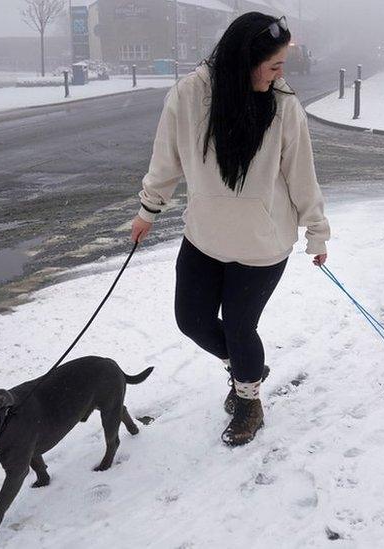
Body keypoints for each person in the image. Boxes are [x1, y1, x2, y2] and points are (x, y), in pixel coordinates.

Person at [130, 13, 331, 446]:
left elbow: (302, 174)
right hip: (204, 237)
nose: (281, 75)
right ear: (245, 60)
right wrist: (148, 211)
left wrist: (317, 230)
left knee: (241, 327)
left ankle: (248, 400)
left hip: (263, 244)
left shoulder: (282, 105)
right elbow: (167, 161)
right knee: (192, 320)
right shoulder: (189, 96)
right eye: (274, 65)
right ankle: (245, 366)